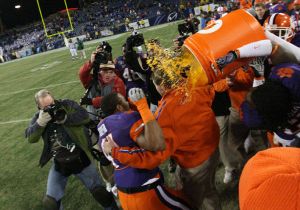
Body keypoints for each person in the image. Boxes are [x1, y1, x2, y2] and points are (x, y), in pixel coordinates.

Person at [103, 70, 221, 210]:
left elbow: (154, 155)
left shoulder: (167, 113)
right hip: (212, 148)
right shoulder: (190, 86)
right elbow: (210, 90)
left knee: (196, 200)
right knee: (208, 189)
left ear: (161, 86)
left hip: (195, 161)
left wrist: (116, 152)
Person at [24, 89, 118, 210]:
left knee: (101, 193)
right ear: (39, 107)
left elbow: (84, 116)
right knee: (50, 202)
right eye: (47, 107)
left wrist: (65, 119)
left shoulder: (66, 104)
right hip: (59, 162)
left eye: (52, 104)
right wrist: (40, 123)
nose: (51, 109)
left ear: (54, 99)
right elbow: (31, 137)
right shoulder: (39, 117)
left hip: (80, 158)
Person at [99, 91, 192, 210]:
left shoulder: (102, 125)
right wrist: (142, 107)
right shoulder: (126, 119)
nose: (127, 101)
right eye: (124, 100)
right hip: (144, 187)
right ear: (119, 106)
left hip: (123, 191)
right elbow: (157, 144)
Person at [79, 48, 126, 121]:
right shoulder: (92, 79)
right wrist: (90, 62)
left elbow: (117, 98)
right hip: (95, 119)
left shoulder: (116, 80)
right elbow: (82, 74)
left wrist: (92, 101)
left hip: (113, 118)